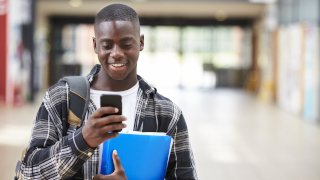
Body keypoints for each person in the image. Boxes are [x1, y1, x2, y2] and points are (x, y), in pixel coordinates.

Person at [20, 3, 197, 180]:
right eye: (107, 45)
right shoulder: (61, 98)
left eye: (126, 44)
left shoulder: (167, 113)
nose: (117, 53)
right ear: (95, 45)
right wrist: (82, 140)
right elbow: (28, 173)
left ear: (141, 42)